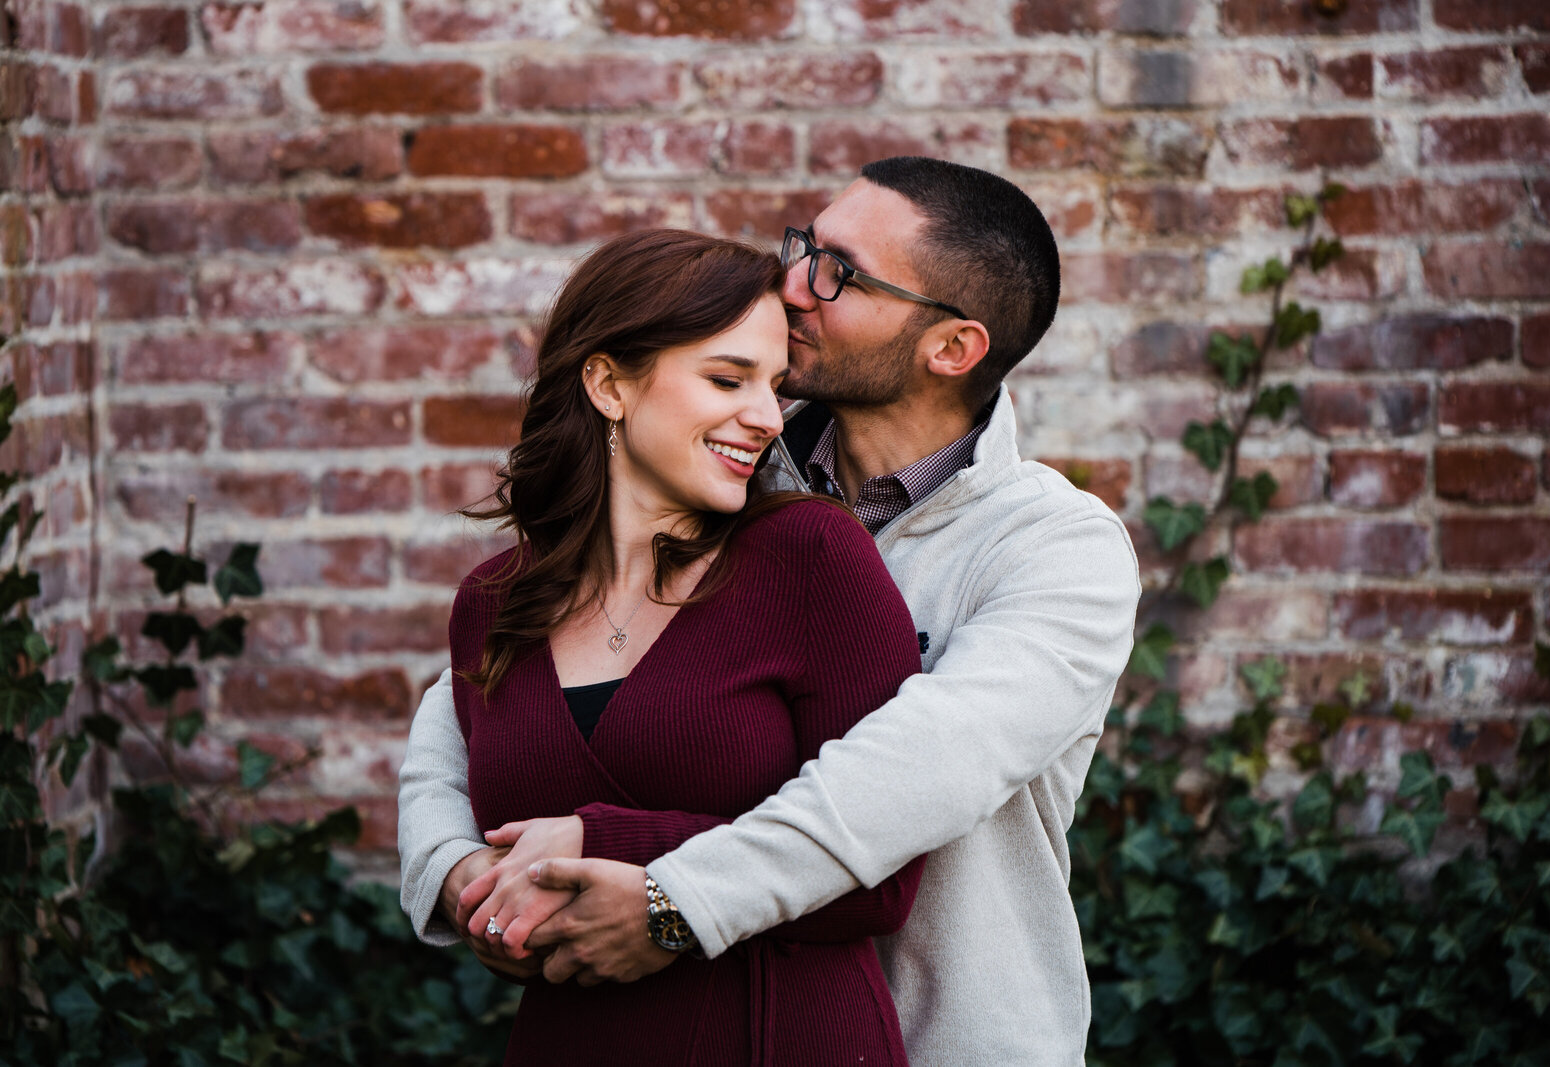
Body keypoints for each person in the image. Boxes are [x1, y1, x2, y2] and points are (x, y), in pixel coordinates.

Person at [400, 158, 1141, 1066]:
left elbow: (917, 770)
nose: (792, 286)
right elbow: (478, 689)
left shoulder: (1054, 548)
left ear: (951, 348)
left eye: (839, 272)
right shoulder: (725, 485)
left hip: (944, 1039)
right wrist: (452, 870)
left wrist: (670, 900)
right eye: (804, 247)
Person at [412, 227, 927, 1065]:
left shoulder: (811, 558)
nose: (766, 418)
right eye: (728, 379)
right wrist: (484, 903)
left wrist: (612, 845)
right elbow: (479, 837)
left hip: (778, 1037)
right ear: (609, 383)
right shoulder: (493, 605)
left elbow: (885, 876)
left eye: (774, 385)